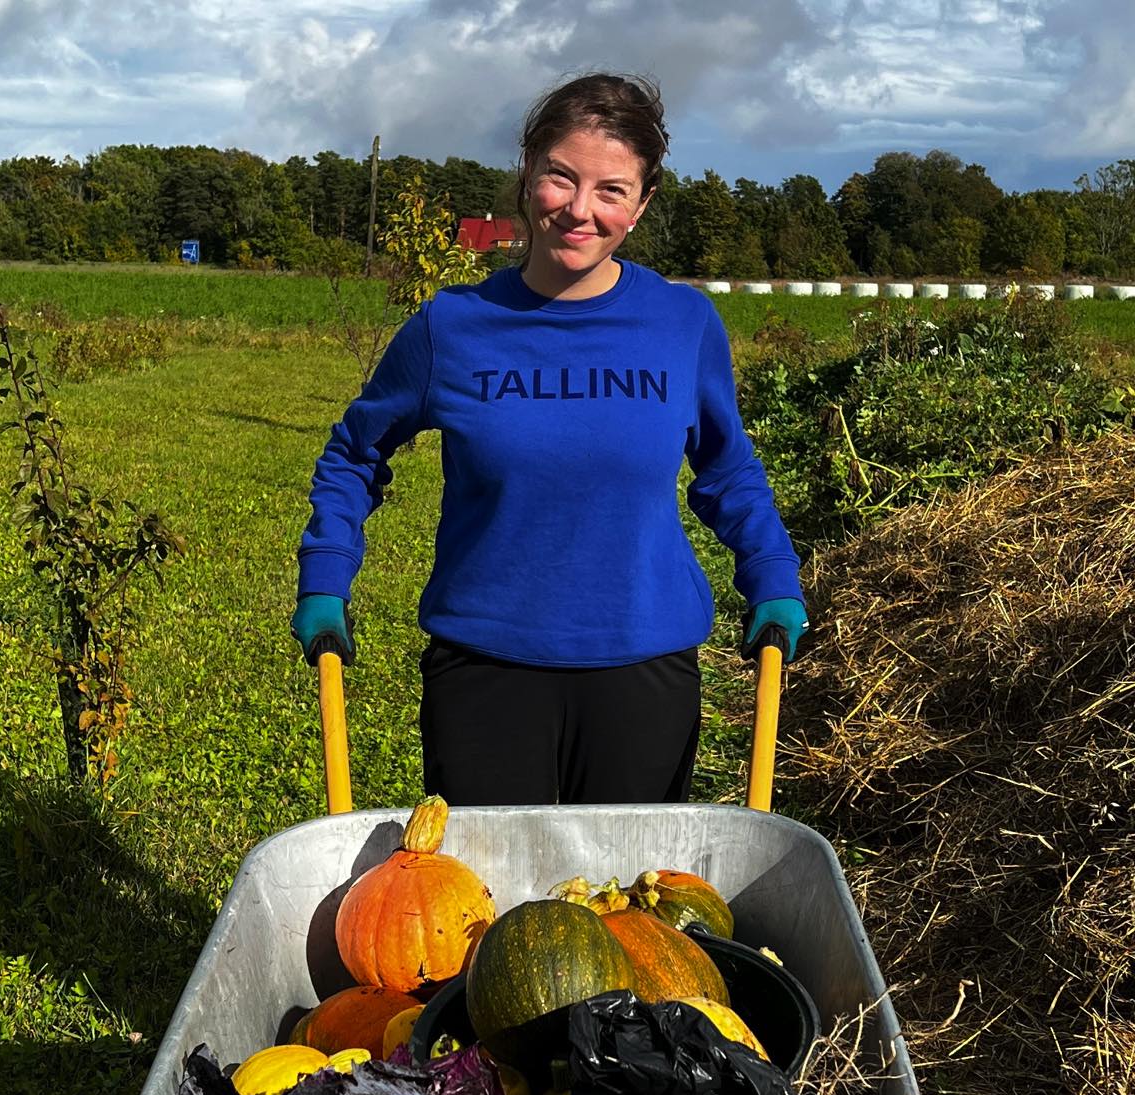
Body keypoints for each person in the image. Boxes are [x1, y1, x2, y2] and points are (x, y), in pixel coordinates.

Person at [292, 72, 808, 805]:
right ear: (528, 171)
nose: (580, 210)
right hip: (484, 667)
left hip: (646, 666)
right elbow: (355, 454)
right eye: (561, 178)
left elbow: (728, 469)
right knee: (485, 911)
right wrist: (325, 573)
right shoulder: (451, 328)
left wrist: (772, 575)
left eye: (611, 190)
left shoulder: (681, 325)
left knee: (631, 907)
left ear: (643, 203)